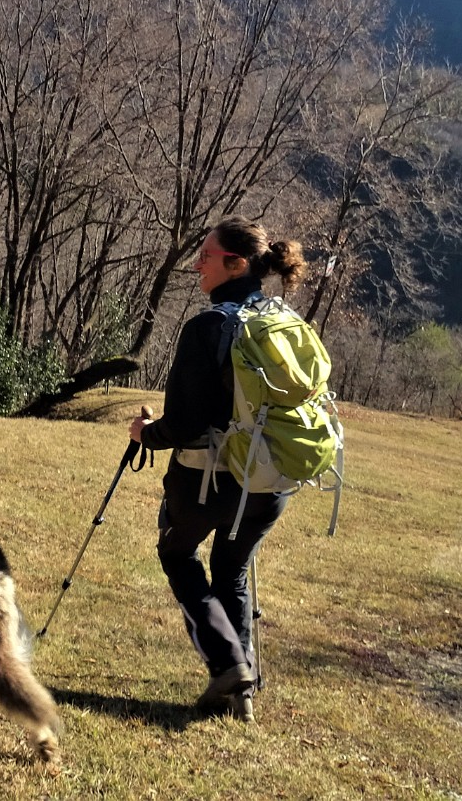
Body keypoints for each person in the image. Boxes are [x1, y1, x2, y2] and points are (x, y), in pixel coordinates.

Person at [128, 215, 308, 721]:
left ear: (237, 264)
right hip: (271, 482)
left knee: (178, 554)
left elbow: (184, 424)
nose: (196, 265)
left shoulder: (208, 326)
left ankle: (229, 665)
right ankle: (240, 693)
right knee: (231, 569)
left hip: (209, 481)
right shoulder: (283, 323)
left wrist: (147, 433)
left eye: (205, 256)